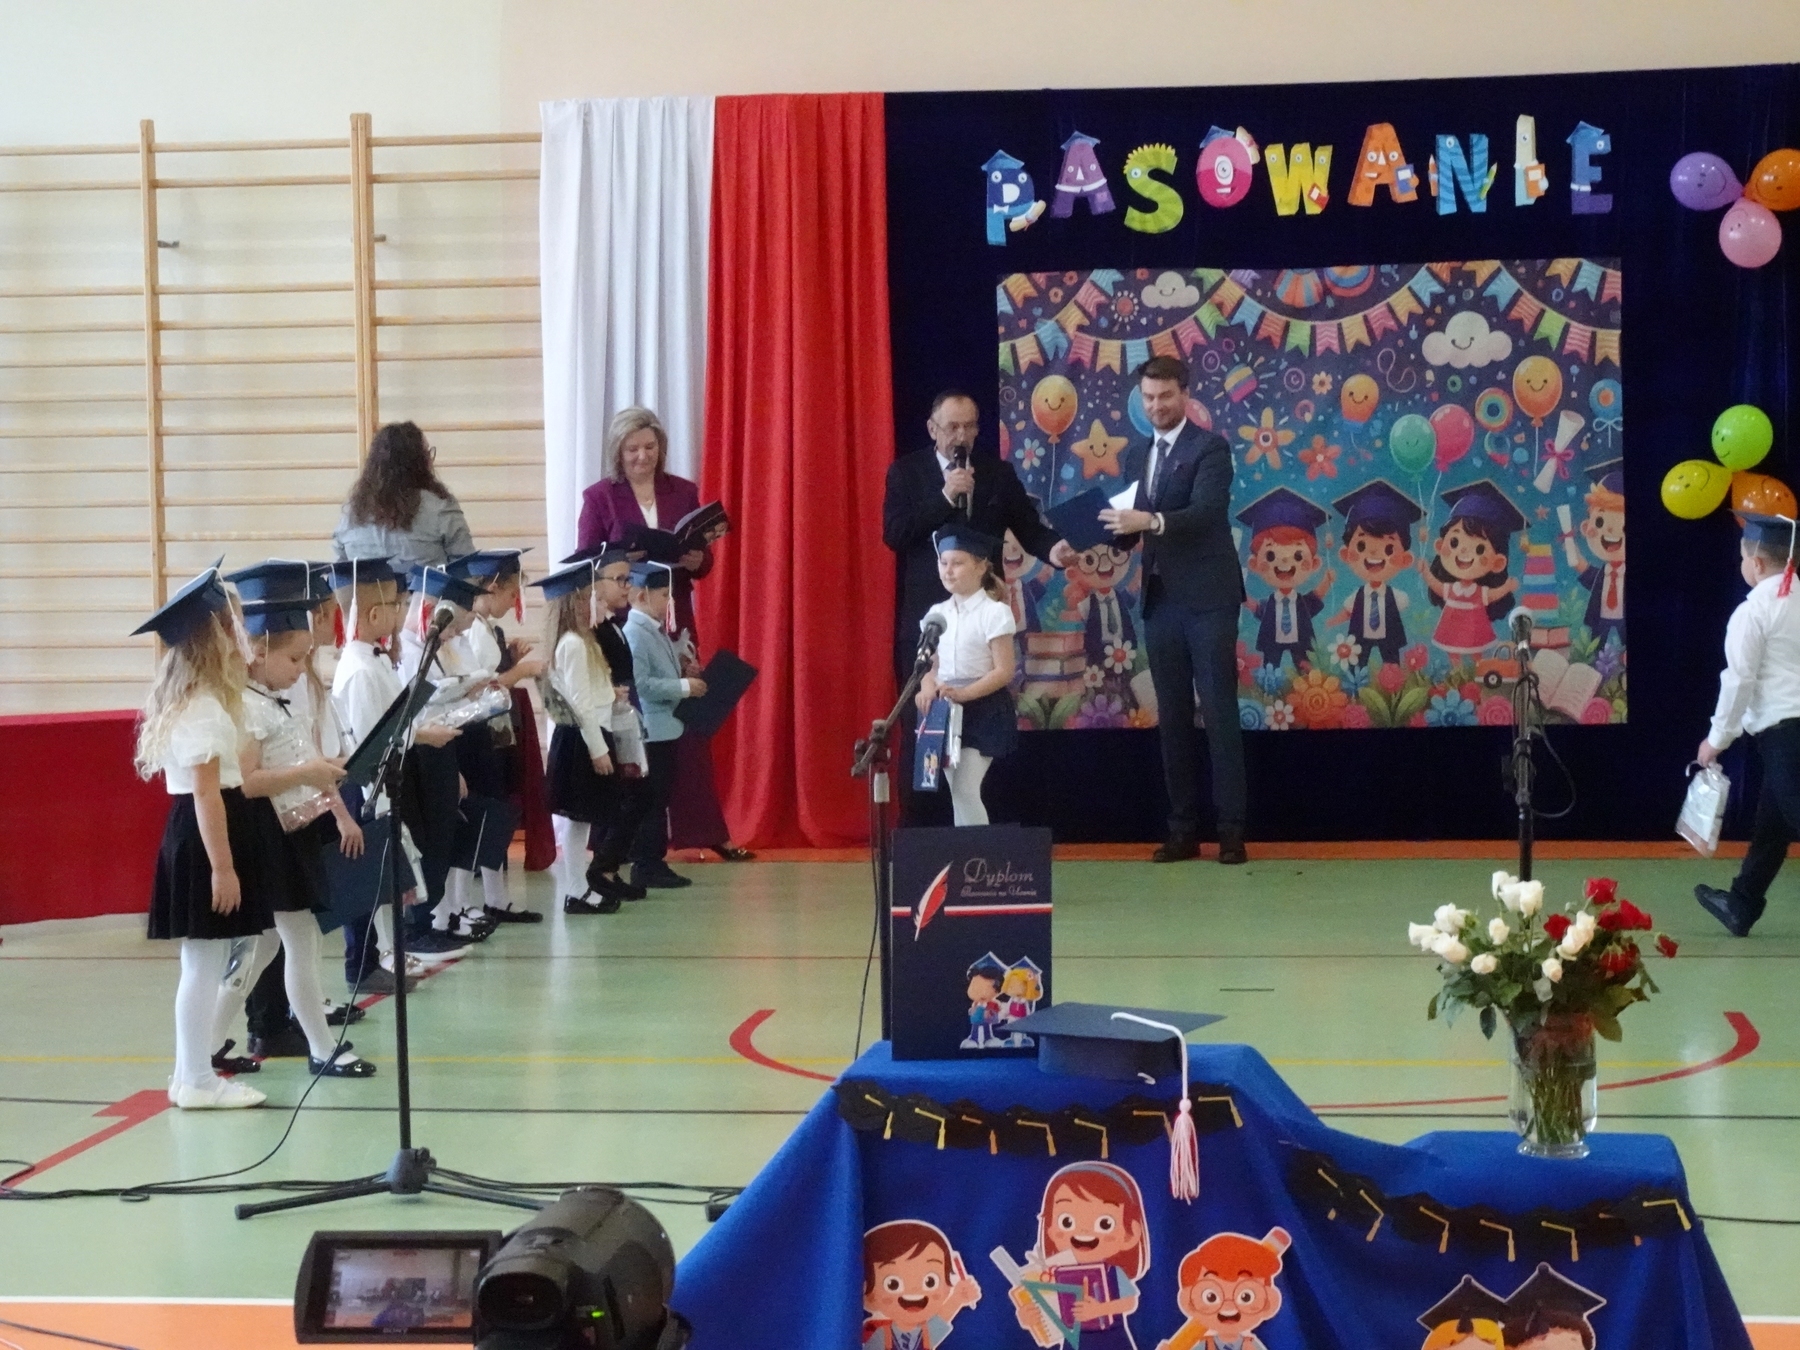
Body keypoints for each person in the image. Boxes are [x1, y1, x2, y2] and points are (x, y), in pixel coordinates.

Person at [575, 407, 750, 863]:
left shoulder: (683, 491)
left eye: (650, 447)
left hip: (675, 615)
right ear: (618, 452)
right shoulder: (600, 497)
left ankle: (704, 828)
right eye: (632, 449)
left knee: (688, 719)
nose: (642, 456)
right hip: (623, 619)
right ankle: (619, 836)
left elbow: (703, 559)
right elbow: (584, 561)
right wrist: (620, 558)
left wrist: (697, 560)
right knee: (628, 719)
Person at [1097, 356, 1247, 865]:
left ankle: (1231, 832)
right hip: (1160, 601)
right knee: (1173, 717)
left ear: (1185, 394)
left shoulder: (1211, 448)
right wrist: (1095, 536)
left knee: (1219, 713)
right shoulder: (1137, 453)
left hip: (1209, 600)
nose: (1156, 405)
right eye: (1148, 397)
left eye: (1165, 396)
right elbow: (1129, 529)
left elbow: (1205, 513)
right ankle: (1182, 831)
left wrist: (1150, 520)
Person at [133, 566, 271, 1109]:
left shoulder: (195, 701)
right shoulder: (205, 710)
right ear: (215, 638)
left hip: (199, 831)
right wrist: (223, 867)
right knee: (204, 964)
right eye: (233, 625)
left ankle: (189, 1074)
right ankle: (195, 1079)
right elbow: (208, 795)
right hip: (206, 836)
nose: (242, 635)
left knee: (202, 963)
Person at [230, 581, 376, 1080]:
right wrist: (307, 774)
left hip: (293, 831)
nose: (299, 670)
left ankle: (209, 1042)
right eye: (293, 659)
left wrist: (324, 773)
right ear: (258, 652)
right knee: (296, 943)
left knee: (272, 947)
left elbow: (294, 760)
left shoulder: (271, 699)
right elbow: (248, 782)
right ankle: (319, 1046)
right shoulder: (248, 706)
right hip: (273, 838)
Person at [883, 389, 1069, 682]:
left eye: (969, 426)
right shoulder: (906, 473)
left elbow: (1030, 528)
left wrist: (1054, 550)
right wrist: (945, 497)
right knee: (925, 706)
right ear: (932, 429)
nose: (961, 436)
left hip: (985, 615)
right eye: (952, 427)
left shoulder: (998, 474)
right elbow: (895, 534)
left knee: (983, 702)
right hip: (929, 615)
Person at [328, 557, 441, 991]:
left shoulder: (374, 660)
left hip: (384, 782)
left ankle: (375, 957)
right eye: (395, 605)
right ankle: (362, 964)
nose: (401, 611)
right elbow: (370, 741)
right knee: (365, 884)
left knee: (378, 881)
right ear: (374, 614)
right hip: (368, 789)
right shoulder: (359, 670)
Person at [398, 566, 520, 942]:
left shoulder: (438, 648)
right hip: (419, 753)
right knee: (429, 845)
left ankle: (444, 914)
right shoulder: (411, 651)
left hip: (443, 746)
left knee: (447, 839)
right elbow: (416, 710)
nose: (454, 636)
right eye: (451, 627)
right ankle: (429, 922)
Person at [1694, 513, 1800, 937]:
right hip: (1786, 736)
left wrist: (1716, 740)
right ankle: (1742, 904)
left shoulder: (1752, 612)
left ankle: (1742, 903)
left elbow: (1738, 681)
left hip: (1785, 735)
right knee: (1772, 827)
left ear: (1755, 563)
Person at [448, 548, 551, 917]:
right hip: (476, 733)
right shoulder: (473, 630)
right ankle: (461, 902)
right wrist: (519, 672)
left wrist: (510, 660)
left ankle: (495, 898)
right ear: (492, 588)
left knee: (496, 813)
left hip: (494, 732)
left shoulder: (489, 629)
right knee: (478, 815)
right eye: (511, 593)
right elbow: (483, 686)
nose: (513, 602)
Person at [536, 553, 640, 912]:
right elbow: (579, 704)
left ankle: (578, 887)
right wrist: (598, 750)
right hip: (583, 739)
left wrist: (609, 694)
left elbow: (587, 693)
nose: (595, 604)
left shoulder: (584, 642)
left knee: (583, 821)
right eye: (588, 598)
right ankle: (576, 890)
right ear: (575, 604)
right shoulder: (574, 644)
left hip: (591, 733)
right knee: (578, 821)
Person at [914, 528, 1018, 826]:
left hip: (984, 708)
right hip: (945, 710)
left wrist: (964, 694)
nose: (948, 570)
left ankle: (979, 852)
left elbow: (1003, 670)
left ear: (981, 566)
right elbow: (930, 665)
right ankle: (967, 850)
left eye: (957, 563)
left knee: (965, 788)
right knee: (956, 791)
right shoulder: (936, 613)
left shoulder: (994, 613)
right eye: (943, 562)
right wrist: (926, 687)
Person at [623, 562, 703, 890]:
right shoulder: (635, 633)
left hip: (666, 727)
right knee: (652, 802)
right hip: (651, 730)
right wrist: (683, 687)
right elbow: (641, 685)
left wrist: (683, 671)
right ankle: (646, 864)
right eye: (663, 594)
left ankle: (654, 860)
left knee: (660, 799)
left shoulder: (654, 629)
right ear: (642, 596)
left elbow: (661, 673)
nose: (669, 601)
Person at [333, 421, 474, 569]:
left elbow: (338, 573)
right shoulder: (440, 507)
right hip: (425, 585)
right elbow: (467, 568)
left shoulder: (352, 513)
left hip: (365, 585)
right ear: (420, 462)